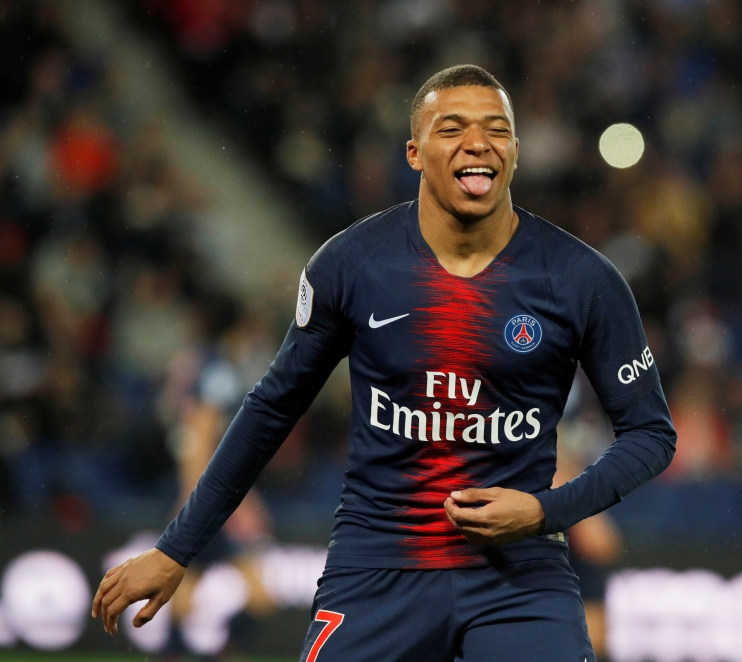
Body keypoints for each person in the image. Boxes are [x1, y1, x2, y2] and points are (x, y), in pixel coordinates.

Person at [92, 65, 677, 662]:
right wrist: (176, 549)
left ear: (517, 152)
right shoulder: (351, 265)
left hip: (521, 576)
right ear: (415, 151)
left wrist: (545, 510)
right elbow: (272, 408)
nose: (478, 142)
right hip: (377, 565)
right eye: (452, 128)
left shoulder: (583, 280)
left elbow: (652, 434)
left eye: (496, 129)